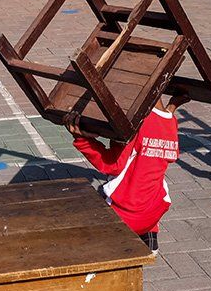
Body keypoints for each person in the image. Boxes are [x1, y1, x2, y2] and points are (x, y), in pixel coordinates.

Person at [64, 93, 187, 254]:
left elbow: (112, 165)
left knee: (78, 216)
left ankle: (119, 242)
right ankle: (149, 236)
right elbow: (163, 123)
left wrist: (82, 140)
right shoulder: (170, 122)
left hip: (123, 216)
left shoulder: (132, 123)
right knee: (149, 183)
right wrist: (173, 104)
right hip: (153, 214)